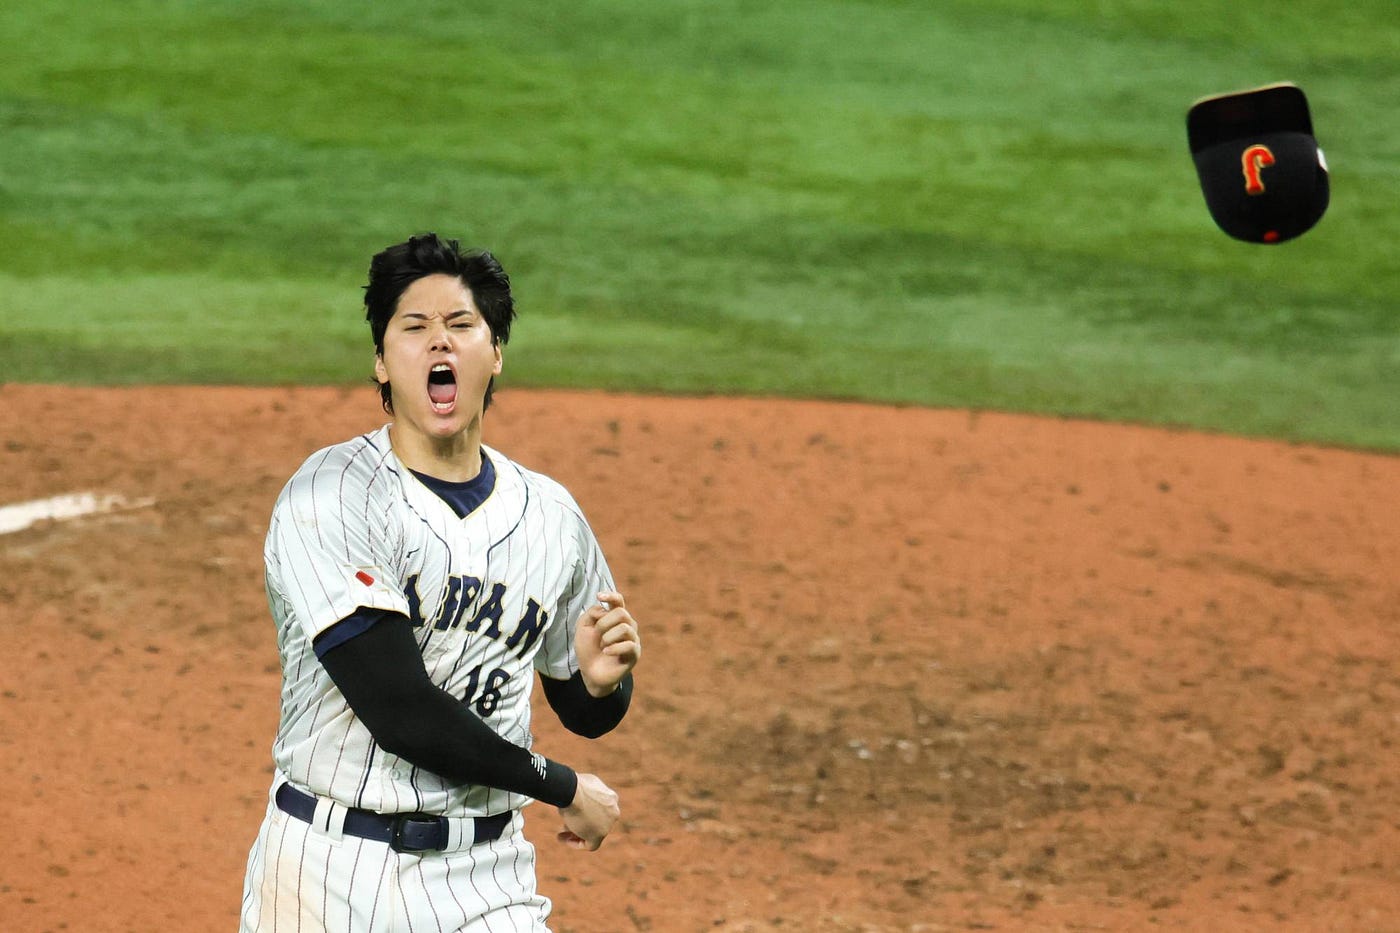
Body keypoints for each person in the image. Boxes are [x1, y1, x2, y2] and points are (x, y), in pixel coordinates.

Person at [239, 233, 641, 932]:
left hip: (485, 879)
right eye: (414, 328)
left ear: (496, 354)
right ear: (382, 362)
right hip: (325, 872)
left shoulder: (550, 516)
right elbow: (400, 709)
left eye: (460, 326)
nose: (439, 345)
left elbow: (583, 709)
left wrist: (600, 686)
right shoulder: (333, 495)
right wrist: (562, 785)